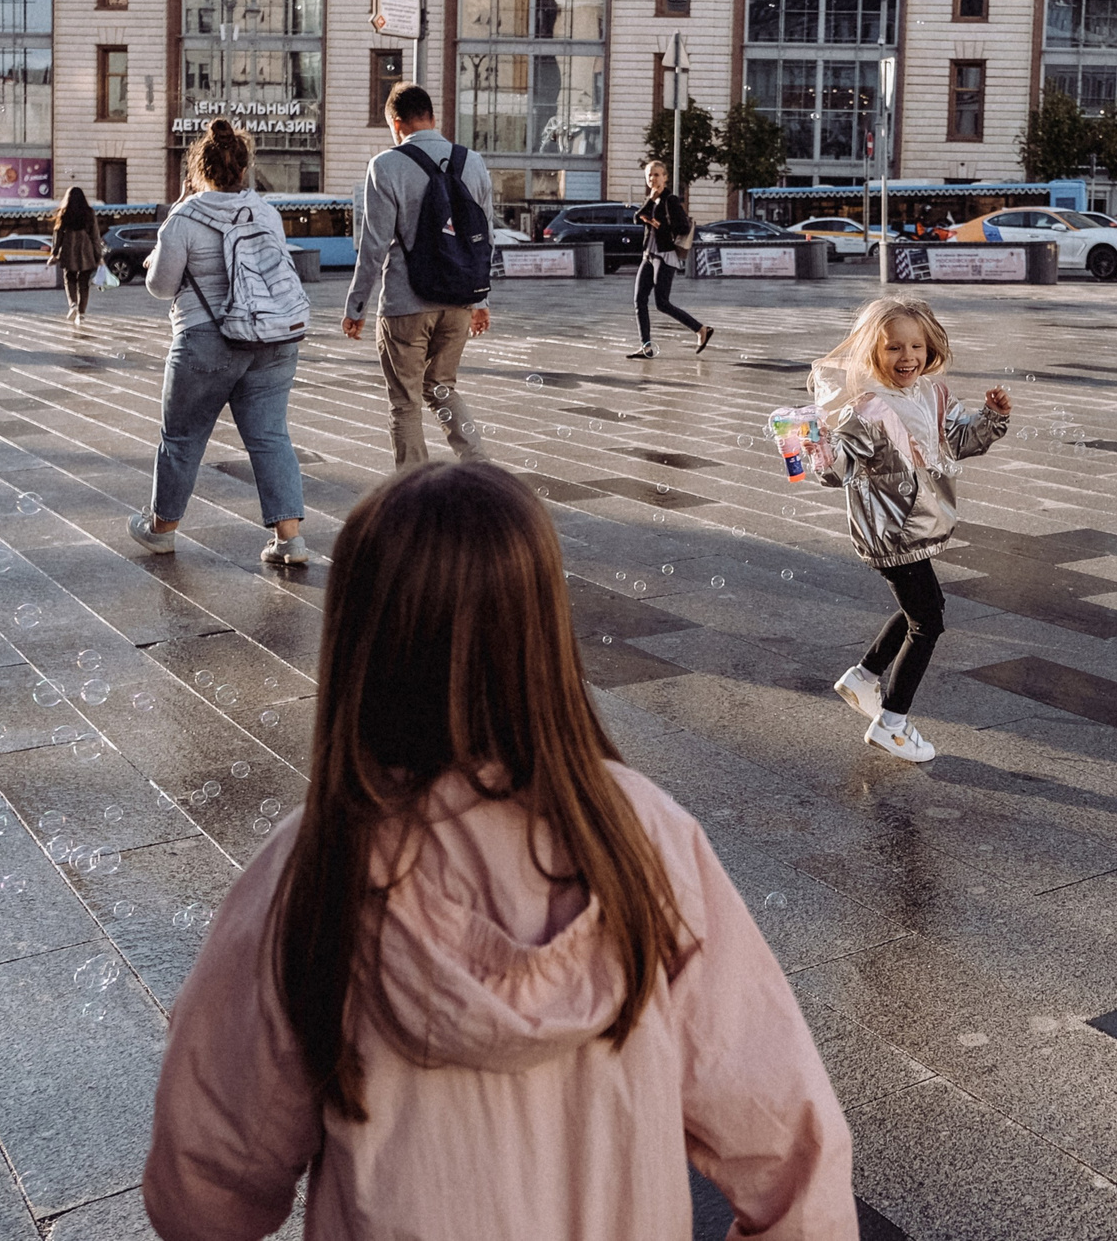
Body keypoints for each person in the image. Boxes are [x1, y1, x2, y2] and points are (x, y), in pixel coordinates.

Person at [143, 462, 855, 1241]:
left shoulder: (316, 865)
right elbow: (790, 1143)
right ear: (544, 630)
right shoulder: (644, 839)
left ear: (358, 639)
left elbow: (204, 1173)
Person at [816, 296, 1011, 763]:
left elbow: (959, 443)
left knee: (920, 609)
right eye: (892, 349)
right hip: (891, 529)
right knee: (929, 620)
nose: (906, 358)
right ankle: (892, 724)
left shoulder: (932, 392)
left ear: (930, 349)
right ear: (869, 352)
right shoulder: (864, 409)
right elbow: (835, 469)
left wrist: (992, 417)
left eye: (915, 347)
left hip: (921, 520)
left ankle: (863, 677)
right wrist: (810, 446)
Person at [130, 120, 310, 566]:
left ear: (198, 169)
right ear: (244, 168)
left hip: (206, 341)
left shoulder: (184, 218)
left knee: (182, 438)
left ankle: (161, 529)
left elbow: (160, 285)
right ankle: (290, 541)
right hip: (272, 338)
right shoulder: (266, 212)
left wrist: (158, 254)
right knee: (270, 436)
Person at [342, 82, 491, 467]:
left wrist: (356, 307)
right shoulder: (472, 161)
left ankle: (414, 490)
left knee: (405, 403)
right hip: (459, 298)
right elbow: (483, 237)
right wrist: (480, 300)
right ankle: (480, 471)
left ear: (396, 123)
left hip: (405, 304)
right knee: (443, 388)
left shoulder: (386, 165)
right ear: (433, 118)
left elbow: (374, 246)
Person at [625, 159, 712, 361]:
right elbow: (636, 217)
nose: (652, 179)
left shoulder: (670, 200)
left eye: (656, 174)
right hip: (649, 255)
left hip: (665, 256)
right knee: (639, 300)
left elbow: (682, 227)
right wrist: (650, 200)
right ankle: (646, 347)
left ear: (665, 177)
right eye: (649, 175)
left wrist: (659, 225)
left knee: (662, 302)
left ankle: (700, 329)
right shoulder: (651, 199)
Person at [53, 186, 103, 325]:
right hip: (85, 248)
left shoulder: (64, 212)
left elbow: (58, 234)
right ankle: (81, 314)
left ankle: (73, 304)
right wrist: (98, 256)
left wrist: (55, 252)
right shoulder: (89, 212)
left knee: (69, 277)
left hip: (69, 247)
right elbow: (95, 236)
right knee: (84, 283)